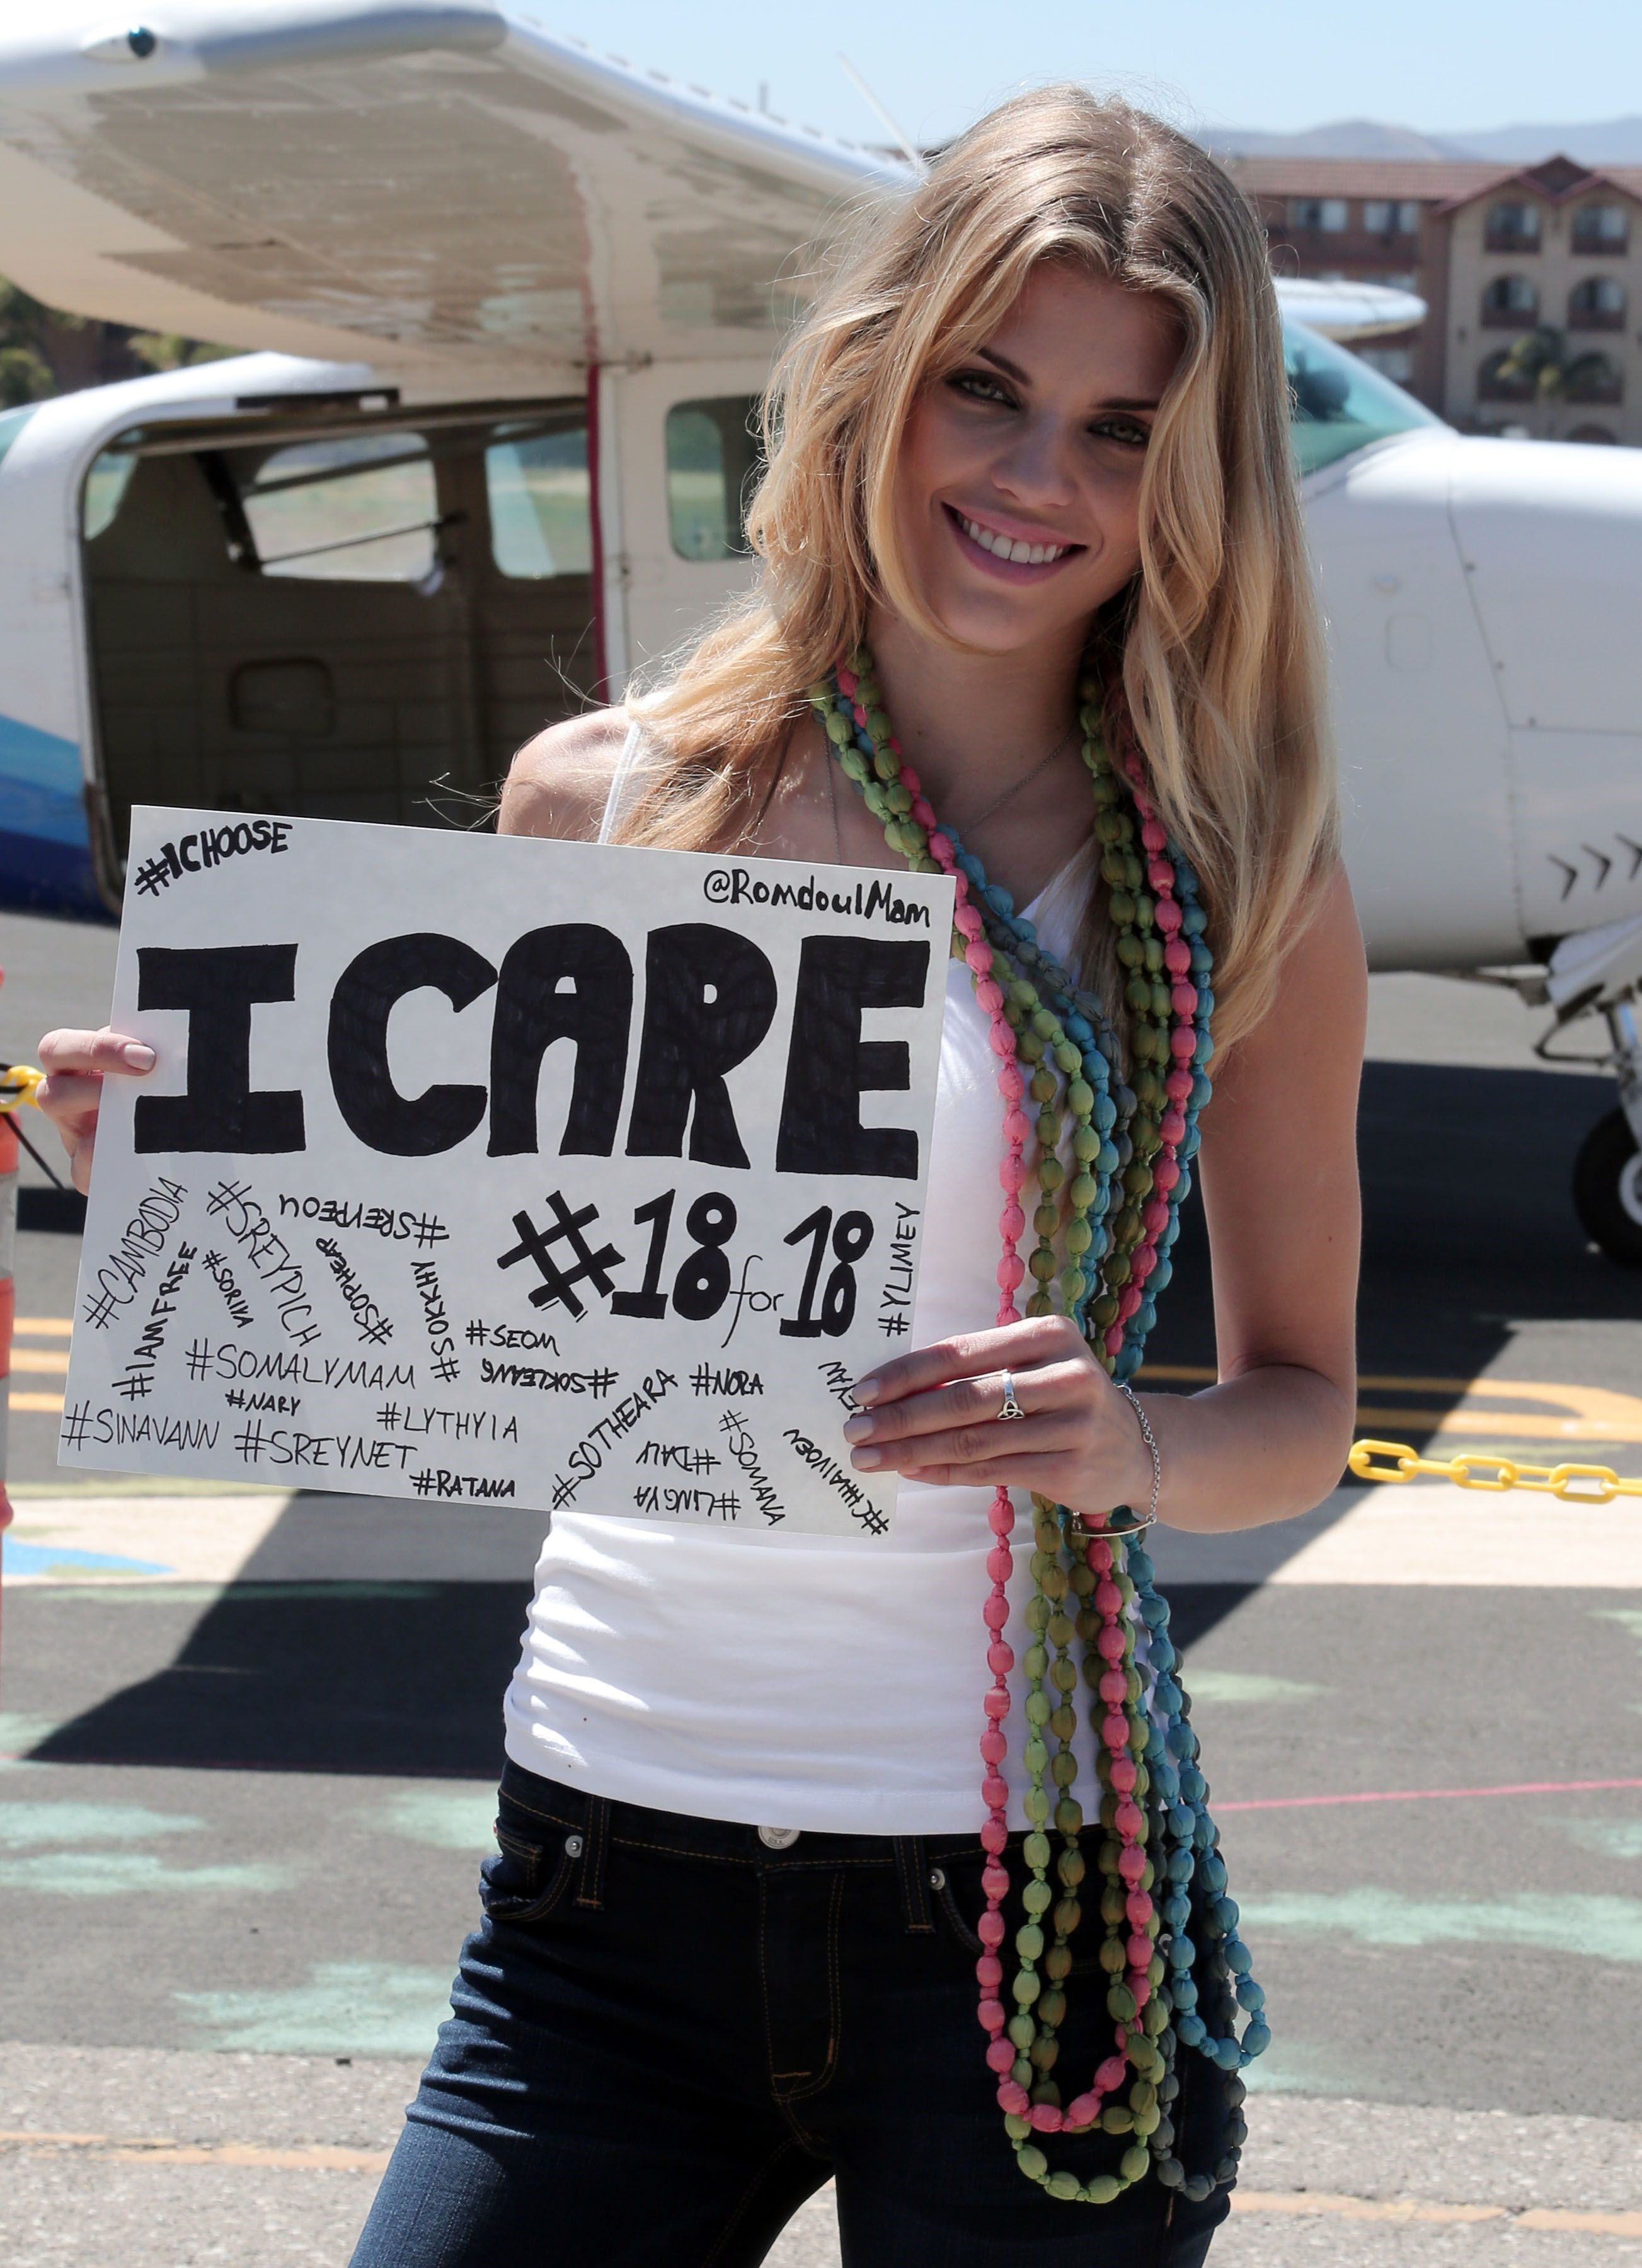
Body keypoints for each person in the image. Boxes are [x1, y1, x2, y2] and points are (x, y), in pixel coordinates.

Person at [38, 87, 1365, 2268]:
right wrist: (181, 1184)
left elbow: (1298, 1410)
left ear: (1197, 488)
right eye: (991, 389)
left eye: (1125, 432)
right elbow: (462, 1284)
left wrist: (1126, 1441)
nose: (1038, 479)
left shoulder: (1235, 884)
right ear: (881, 377)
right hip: (596, 1895)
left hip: (1028, 1916)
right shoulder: (612, 798)